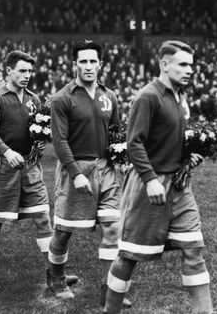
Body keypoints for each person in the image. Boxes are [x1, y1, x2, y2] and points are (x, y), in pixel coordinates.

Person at [104, 40, 213, 314]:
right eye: (183, 64)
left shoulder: (180, 96)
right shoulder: (148, 96)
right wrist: (151, 179)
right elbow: (135, 142)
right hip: (147, 186)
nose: (190, 70)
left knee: (193, 249)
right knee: (129, 256)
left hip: (179, 185)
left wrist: (188, 156)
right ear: (165, 64)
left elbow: (170, 138)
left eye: (191, 65)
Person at [0, 50, 78, 291]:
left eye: (29, 71)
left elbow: (41, 128)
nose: (27, 75)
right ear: (8, 71)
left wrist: (41, 140)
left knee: (44, 218)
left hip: (30, 167)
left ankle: (54, 275)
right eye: (22, 70)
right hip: (2, 167)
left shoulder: (34, 99)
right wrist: (7, 151)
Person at [47, 41, 128, 307]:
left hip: (107, 170)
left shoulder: (110, 96)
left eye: (93, 61)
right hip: (76, 170)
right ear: (74, 65)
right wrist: (75, 172)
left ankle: (109, 289)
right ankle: (56, 277)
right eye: (83, 61)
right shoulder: (62, 98)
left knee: (113, 227)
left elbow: (116, 133)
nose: (89, 66)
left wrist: (122, 160)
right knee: (64, 231)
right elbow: (59, 141)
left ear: (100, 65)